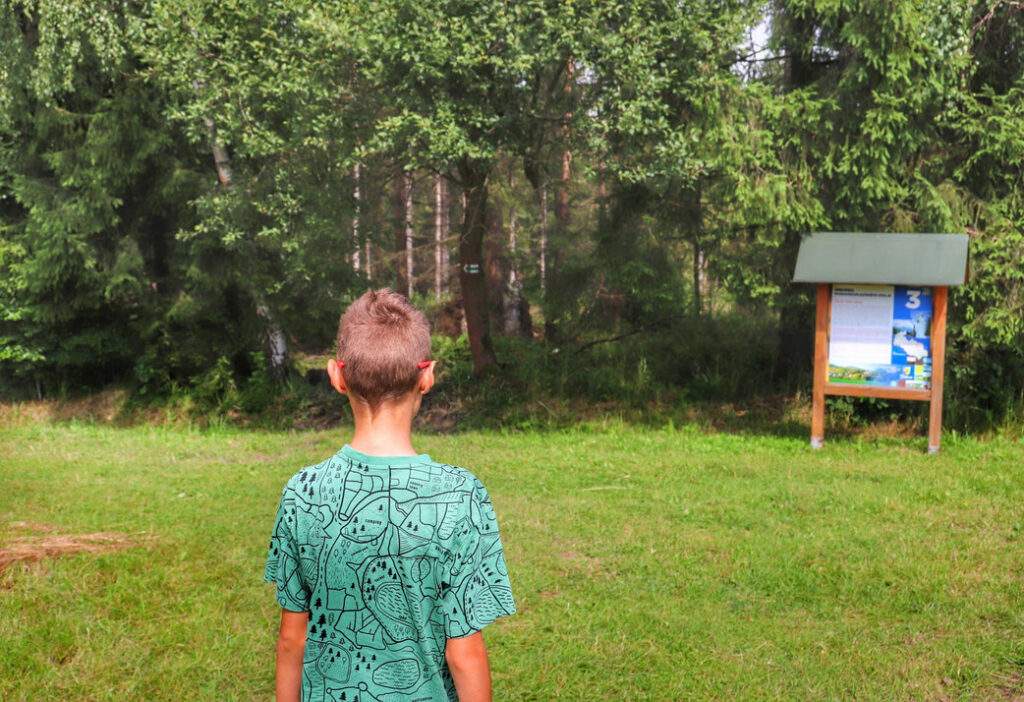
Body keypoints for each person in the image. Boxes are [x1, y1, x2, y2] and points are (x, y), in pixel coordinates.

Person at [264, 289, 516, 702]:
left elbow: (294, 637)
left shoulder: (301, 494)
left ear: (336, 375)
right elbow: (465, 654)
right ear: (427, 375)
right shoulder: (461, 497)